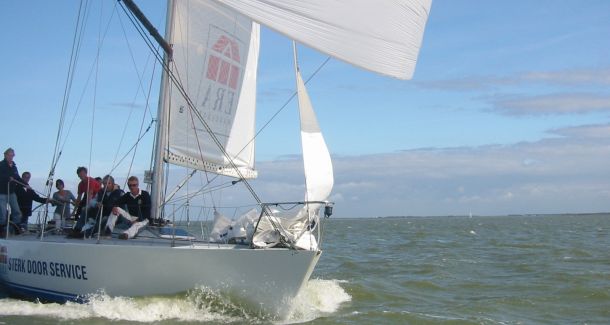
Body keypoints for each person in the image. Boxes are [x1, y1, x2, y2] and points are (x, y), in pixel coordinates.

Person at [0, 148, 24, 236]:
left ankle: (15, 229)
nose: (11, 157)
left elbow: (17, 177)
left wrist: (26, 185)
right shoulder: (1, 165)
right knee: (2, 213)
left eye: (12, 155)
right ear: (5, 155)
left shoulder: (14, 166)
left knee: (16, 210)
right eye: (9, 155)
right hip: (2, 192)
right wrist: (7, 178)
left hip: (11, 192)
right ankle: (2, 231)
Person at [73, 166, 101, 232]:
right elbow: (79, 198)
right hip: (90, 198)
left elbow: (90, 194)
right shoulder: (80, 184)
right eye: (79, 174)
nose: (81, 175)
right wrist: (74, 211)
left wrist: (87, 207)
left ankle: (78, 228)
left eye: (82, 173)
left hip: (99, 197)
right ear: (78, 175)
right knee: (81, 209)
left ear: (86, 173)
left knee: (85, 210)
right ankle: (78, 228)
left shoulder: (90, 181)